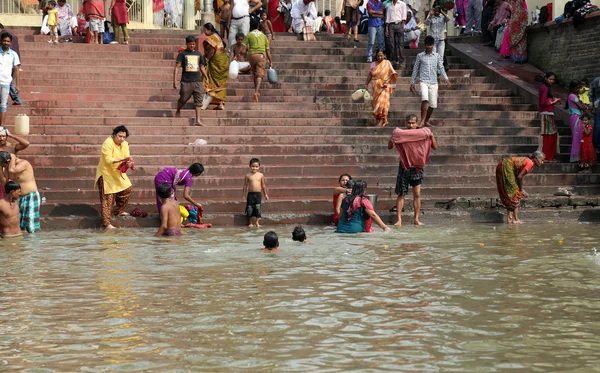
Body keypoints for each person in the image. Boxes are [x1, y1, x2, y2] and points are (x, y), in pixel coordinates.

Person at [388, 114, 437, 226]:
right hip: (404, 167)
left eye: (413, 123)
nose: (410, 125)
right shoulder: (401, 135)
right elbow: (389, 146)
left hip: (417, 168)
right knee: (401, 194)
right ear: (406, 123)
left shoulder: (422, 134)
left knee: (417, 194)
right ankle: (399, 220)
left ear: (417, 124)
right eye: (409, 123)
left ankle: (416, 219)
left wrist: (431, 135)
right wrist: (393, 137)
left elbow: (435, 146)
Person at [94, 125, 133, 230]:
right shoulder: (108, 143)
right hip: (106, 174)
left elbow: (127, 157)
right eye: (120, 136)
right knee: (107, 199)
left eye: (124, 137)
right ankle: (106, 224)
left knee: (127, 188)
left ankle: (118, 211)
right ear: (114, 135)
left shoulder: (124, 144)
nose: (122, 139)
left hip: (117, 172)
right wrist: (123, 159)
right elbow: (108, 159)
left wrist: (128, 163)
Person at [410, 36, 450, 128]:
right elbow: (415, 69)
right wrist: (412, 82)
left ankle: (426, 121)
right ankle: (422, 121)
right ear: (425, 45)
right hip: (423, 81)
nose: (429, 47)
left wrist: (446, 79)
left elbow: (441, 67)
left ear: (433, 45)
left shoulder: (437, 56)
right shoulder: (420, 56)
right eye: (427, 45)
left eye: (430, 45)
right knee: (425, 99)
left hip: (433, 82)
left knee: (433, 104)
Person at [495, 151, 544, 224]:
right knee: (515, 194)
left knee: (510, 194)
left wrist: (520, 189)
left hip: (502, 166)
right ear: (536, 159)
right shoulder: (530, 163)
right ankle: (514, 219)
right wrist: (520, 190)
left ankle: (511, 219)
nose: (542, 162)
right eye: (542, 160)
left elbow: (517, 176)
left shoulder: (528, 161)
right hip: (506, 167)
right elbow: (519, 177)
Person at [0, 152, 40, 233]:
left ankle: (33, 243)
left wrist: (12, 156)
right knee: (20, 224)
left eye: (3, 165)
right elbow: (5, 182)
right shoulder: (8, 167)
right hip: (18, 197)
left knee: (30, 223)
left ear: (8, 162)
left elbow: (12, 170)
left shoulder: (24, 163)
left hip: (30, 196)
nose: (4, 168)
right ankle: (23, 244)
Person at [174, 35, 208, 126]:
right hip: (186, 81)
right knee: (183, 98)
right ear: (186, 44)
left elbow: (201, 66)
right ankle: (178, 109)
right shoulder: (182, 54)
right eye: (190, 44)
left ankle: (198, 120)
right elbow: (177, 67)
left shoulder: (198, 54)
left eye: (193, 44)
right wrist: (175, 80)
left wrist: (206, 77)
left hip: (197, 81)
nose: (192, 46)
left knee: (198, 100)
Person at [366, 49, 398, 127]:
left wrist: (387, 82)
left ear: (384, 56)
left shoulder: (387, 63)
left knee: (382, 104)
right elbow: (370, 75)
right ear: (376, 56)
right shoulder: (373, 64)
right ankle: (382, 121)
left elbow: (393, 74)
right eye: (378, 56)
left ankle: (381, 121)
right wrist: (366, 84)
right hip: (375, 86)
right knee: (376, 104)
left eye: (381, 56)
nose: (380, 57)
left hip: (385, 86)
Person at [243, 18, 273, 103]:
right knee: (259, 75)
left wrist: (237, 55)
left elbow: (243, 47)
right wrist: (270, 61)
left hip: (251, 55)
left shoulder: (248, 35)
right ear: (258, 26)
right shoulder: (263, 36)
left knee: (254, 73)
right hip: (260, 56)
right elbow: (268, 50)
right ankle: (256, 92)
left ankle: (257, 90)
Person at [202, 23, 230, 111]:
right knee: (221, 83)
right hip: (224, 61)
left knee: (212, 82)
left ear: (209, 30)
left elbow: (211, 50)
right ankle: (220, 104)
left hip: (216, 62)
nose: (204, 32)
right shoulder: (217, 36)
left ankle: (208, 101)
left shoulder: (211, 38)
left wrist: (206, 60)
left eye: (205, 30)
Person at [536, 72, 560, 162]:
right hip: (546, 113)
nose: (552, 81)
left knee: (551, 134)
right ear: (546, 78)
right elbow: (542, 102)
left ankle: (549, 156)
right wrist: (553, 102)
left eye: (553, 79)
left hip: (548, 113)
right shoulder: (544, 88)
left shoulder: (545, 87)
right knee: (548, 135)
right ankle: (547, 156)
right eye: (550, 79)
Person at [0, 32, 20, 129]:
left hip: (6, 82)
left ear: (10, 43)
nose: (6, 43)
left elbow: (16, 69)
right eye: (4, 41)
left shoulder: (13, 54)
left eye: (8, 41)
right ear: (1, 41)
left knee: (3, 105)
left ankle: (1, 127)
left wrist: (18, 85)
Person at [243, 157, 269, 227]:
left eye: (256, 167)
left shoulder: (261, 175)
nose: (254, 168)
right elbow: (245, 185)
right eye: (253, 166)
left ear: (259, 167)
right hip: (250, 194)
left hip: (258, 194)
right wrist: (243, 195)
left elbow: (263, 185)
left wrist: (265, 194)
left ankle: (257, 222)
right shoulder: (248, 175)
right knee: (249, 208)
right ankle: (251, 222)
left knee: (257, 208)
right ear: (250, 166)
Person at [0, 24, 22, 106]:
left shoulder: (2, 36)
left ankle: (16, 98)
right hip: (14, 60)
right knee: (9, 81)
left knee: (8, 82)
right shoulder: (13, 36)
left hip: (7, 62)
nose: (6, 42)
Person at [567, 80, 585, 164]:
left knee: (578, 136)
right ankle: (576, 156)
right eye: (577, 88)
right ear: (572, 88)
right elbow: (581, 107)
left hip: (575, 117)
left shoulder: (572, 95)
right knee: (577, 137)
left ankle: (578, 156)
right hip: (576, 117)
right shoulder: (572, 96)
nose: (578, 89)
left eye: (579, 88)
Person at [385, 0, 407, 69]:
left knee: (400, 43)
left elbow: (404, 16)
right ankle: (394, 59)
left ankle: (401, 59)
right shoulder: (389, 6)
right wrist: (386, 29)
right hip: (391, 25)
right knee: (392, 43)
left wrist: (402, 26)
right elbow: (388, 18)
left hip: (399, 24)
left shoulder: (402, 4)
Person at [590, 77, 600, 149]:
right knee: (597, 126)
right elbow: (590, 94)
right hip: (598, 107)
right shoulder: (596, 81)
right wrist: (591, 105)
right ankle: (596, 145)